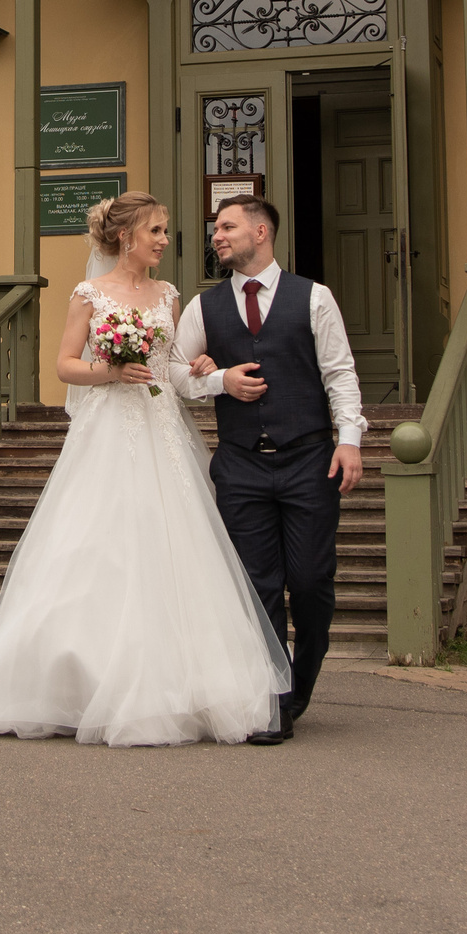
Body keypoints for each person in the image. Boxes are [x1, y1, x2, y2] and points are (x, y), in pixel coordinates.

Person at [0, 192, 291, 747]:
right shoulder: (90, 293)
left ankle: (180, 686)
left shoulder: (168, 295)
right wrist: (109, 371)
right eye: (155, 231)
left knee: (174, 549)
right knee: (96, 545)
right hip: (108, 430)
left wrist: (202, 368)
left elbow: (175, 368)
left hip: (162, 430)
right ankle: (75, 686)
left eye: (164, 230)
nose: (164, 240)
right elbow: (65, 365)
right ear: (123, 236)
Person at [172, 195, 364, 745]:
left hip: (308, 460)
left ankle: (300, 682)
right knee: (257, 587)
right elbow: (172, 376)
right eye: (215, 229)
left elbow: (340, 374)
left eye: (228, 226)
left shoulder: (314, 298)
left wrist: (348, 441)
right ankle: (272, 703)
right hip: (239, 467)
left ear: (262, 232)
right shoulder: (203, 309)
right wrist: (217, 381)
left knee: (309, 584)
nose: (217, 236)